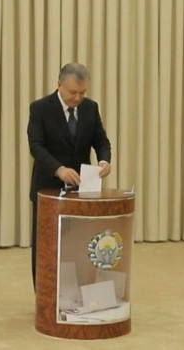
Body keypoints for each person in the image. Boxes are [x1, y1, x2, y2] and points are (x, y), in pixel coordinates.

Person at [27, 62, 112, 287]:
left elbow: (101, 141)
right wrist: (59, 169)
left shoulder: (90, 108)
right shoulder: (40, 108)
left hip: (81, 190)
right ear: (59, 85)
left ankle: (77, 292)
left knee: (78, 244)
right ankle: (44, 297)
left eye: (83, 93)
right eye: (73, 92)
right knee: (47, 246)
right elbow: (36, 147)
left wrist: (104, 161)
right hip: (48, 188)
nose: (78, 98)